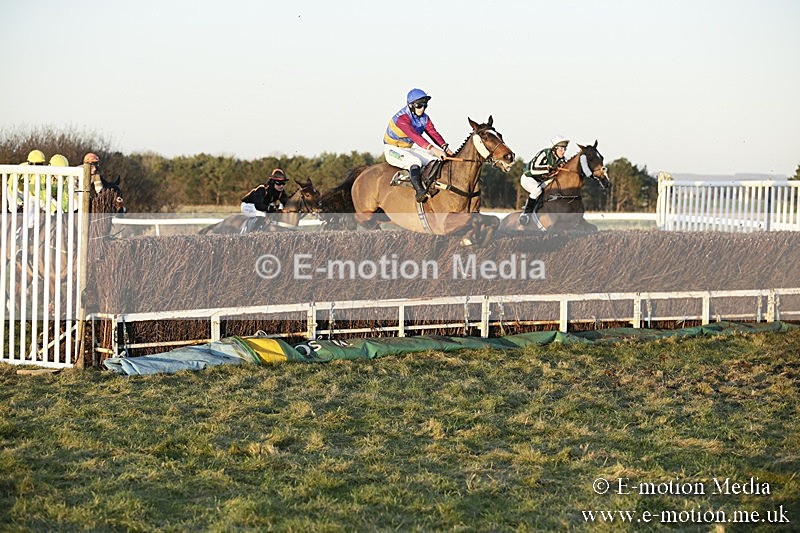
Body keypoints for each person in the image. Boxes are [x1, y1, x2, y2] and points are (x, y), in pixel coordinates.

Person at [383, 88, 454, 203]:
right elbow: (415, 136)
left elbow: (433, 133)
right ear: (411, 105)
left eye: (425, 105)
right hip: (392, 149)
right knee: (415, 161)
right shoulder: (402, 119)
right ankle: (419, 191)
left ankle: (430, 185)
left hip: (407, 149)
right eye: (419, 105)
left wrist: (446, 148)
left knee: (434, 159)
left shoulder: (424, 118)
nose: (423, 108)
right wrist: (434, 149)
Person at [518, 135, 569, 225]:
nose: (563, 152)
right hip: (528, 178)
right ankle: (526, 214)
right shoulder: (544, 154)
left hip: (541, 181)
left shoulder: (562, 160)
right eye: (561, 149)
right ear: (554, 149)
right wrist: (548, 168)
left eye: (565, 149)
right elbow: (533, 168)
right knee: (537, 190)